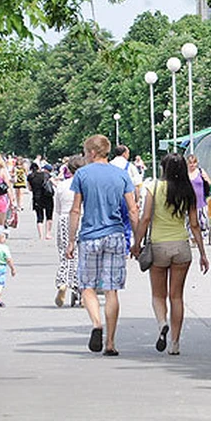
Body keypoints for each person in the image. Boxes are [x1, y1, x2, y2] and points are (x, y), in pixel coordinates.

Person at [66, 134, 139, 356]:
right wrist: (137, 241)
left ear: (93, 152)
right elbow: (133, 210)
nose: (84, 156)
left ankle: (97, 324)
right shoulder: (121, 175)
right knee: (111, 290)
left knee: (87, 286)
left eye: (85, 152)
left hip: (89, 236)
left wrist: (70, 241)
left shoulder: (82, 175)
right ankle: (111, 342)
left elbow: (76, 209)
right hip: (115, 236)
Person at [131, 153, 210, 355]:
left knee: (158, 295)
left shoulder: (153, 188)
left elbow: (146, 218)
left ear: (163, 168)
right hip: (181, 248)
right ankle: (175, 343)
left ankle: (161, 324)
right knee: (177, 297)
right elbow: (194, 224)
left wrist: (137, 243)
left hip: (158, 247)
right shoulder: (188, 190)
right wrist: (202, 253)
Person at [53, 154, 85, 307]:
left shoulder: (62, 185)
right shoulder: (86, 185)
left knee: (65, 253)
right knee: (82, 255)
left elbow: (57, 209)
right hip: (83, 218)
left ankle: (62, 282)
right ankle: (80, 288)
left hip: (65, 218)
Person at [109, 145, 142, 252]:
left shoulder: (109, 165)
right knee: (127, 223)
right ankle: (126, 247)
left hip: (111, 197)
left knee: (113, 222)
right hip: (126, 197)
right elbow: (137, 185)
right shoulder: (130, 166)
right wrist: (137, 200)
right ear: (124, 154)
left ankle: (114, 245)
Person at [186, 153, 211, 240]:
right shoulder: (185, 174)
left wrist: (205, 179)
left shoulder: (200, 171)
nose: (192, 165)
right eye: (190, 163)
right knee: (190, 221)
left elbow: (209, 182)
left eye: (194, 162)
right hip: (190, 202)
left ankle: (201, 238)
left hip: (201, 202)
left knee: (202, 221)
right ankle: (192, 237)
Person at [27, 162, 54, 239]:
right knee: (49, 216)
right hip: (47, 197)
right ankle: (48, 233)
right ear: (38, 168)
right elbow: (54, 183)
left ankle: (41, 235)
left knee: (39, 217)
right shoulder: (45, 175)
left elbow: (30, 189)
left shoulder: (30, 176)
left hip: (37, 198)